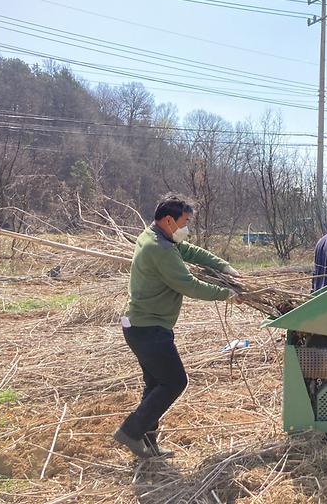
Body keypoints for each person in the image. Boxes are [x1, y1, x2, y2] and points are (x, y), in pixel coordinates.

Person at [113, 194, 241, 458]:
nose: (187, 228)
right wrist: (226, 293)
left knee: (155, 385)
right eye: (184, 222)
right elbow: (189, 285)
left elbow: (189, 251)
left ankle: (148, 443)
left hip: (140, 326)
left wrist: (222, 265)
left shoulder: (155, 236)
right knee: (175, 382)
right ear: (169, 220)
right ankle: (130, 431)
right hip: (149, 329)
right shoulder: (159, 249)